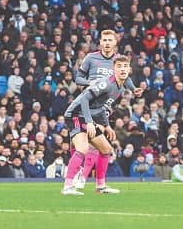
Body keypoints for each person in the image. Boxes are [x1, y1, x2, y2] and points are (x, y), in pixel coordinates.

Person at [73, 30, 141, 191]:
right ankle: (84, 177)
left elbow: (126, 78)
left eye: (111, 40)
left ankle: (88, 179)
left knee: (99, 146)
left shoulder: (118, 60)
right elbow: (78, 78)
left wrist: (133, 89)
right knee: (94, 145)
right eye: (105, 40)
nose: (108, 43)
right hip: (88, 105)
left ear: (115, 43)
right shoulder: (91, 58)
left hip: (104, 108)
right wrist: (90, 82)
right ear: (101, 43)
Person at [60, 55, 133, 195]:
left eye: (125, 66)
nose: (123, 69)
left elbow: (100, 108)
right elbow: (85, 99)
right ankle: (67, 187)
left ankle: (100, 186)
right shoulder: (106, 83)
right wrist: (89, 123)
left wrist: (107, 126)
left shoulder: (121, 89)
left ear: (129, 69)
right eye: (119, 66)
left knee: (106, 149)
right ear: (113, 69)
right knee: (82, 148)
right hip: (75, 114)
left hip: (88, 117)